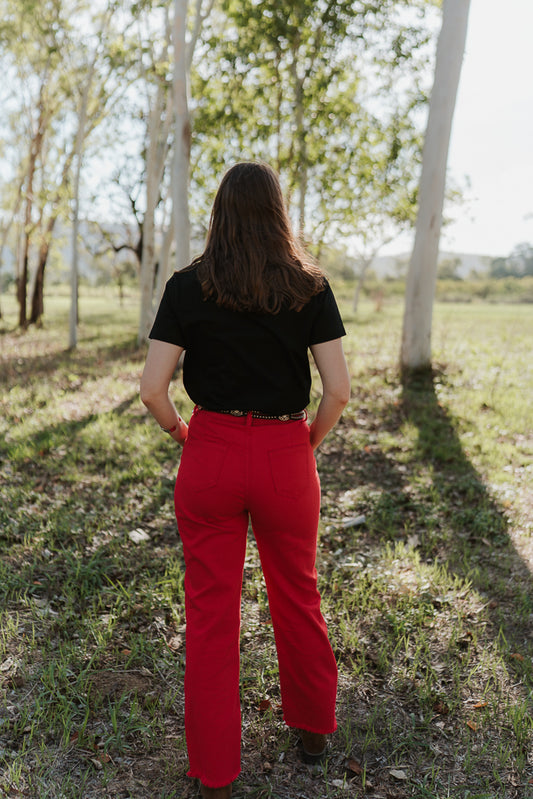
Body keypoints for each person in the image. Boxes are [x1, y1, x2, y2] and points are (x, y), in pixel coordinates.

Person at [140, 161, 350, 799]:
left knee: (209, 614)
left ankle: (215, 773)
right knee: (298, 593)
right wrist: (302, 443)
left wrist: (183, 433)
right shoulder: (310, 287)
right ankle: (313, 732)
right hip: (287, 451)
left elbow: (152, 389)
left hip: (211, 453)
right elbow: (338, 389)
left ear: (219, 214)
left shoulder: (186, 286)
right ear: (277, 212)